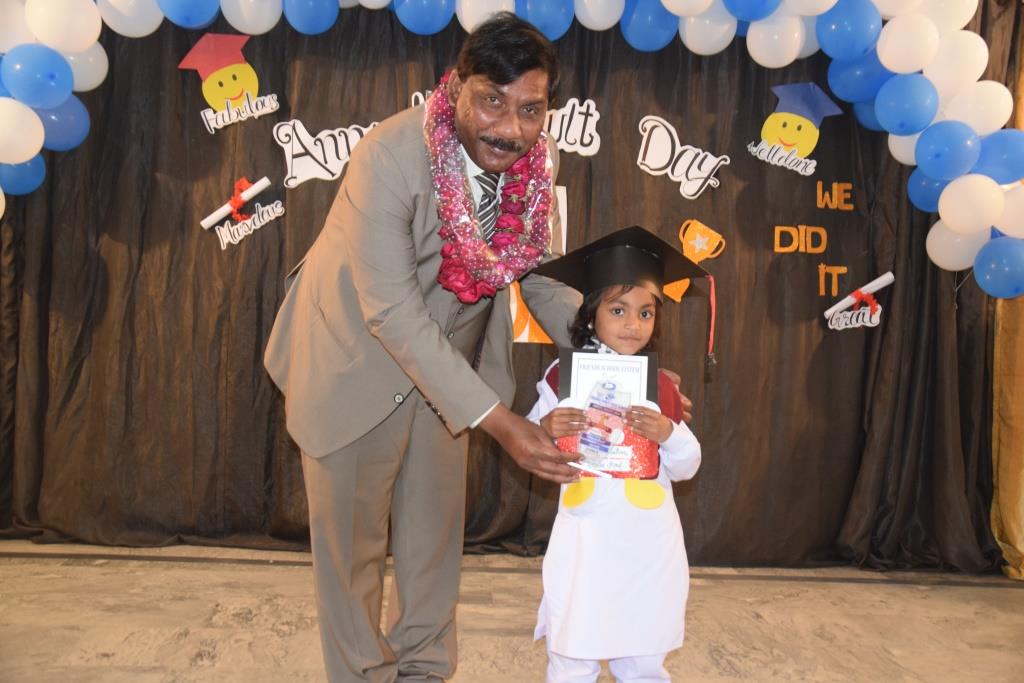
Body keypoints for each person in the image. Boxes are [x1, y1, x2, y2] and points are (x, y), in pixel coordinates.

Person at [263, 13, 584, 682]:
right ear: (458, 86)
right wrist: (502, 423)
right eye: (492, 100)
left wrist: (613, 348)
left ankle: (426, 671)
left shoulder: (532, 166)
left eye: (530, 109)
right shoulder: (388, 155)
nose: (510, 128)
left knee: (432, 544)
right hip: (351, 362)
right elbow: (392, 312)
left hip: (446, 379)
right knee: (352, 558)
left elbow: (536, 271)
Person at [525, 226, 706, 683]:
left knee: (642, 654)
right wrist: (546, 429)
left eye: (645, 313)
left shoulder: (661, 386)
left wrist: (668, 433)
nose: (632, 324)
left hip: (647, 545)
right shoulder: (561, 378)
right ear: (591, 316)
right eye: (618, 310)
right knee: (574, 650)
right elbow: (530, 444)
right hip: (585, 540)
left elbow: (687, 466)